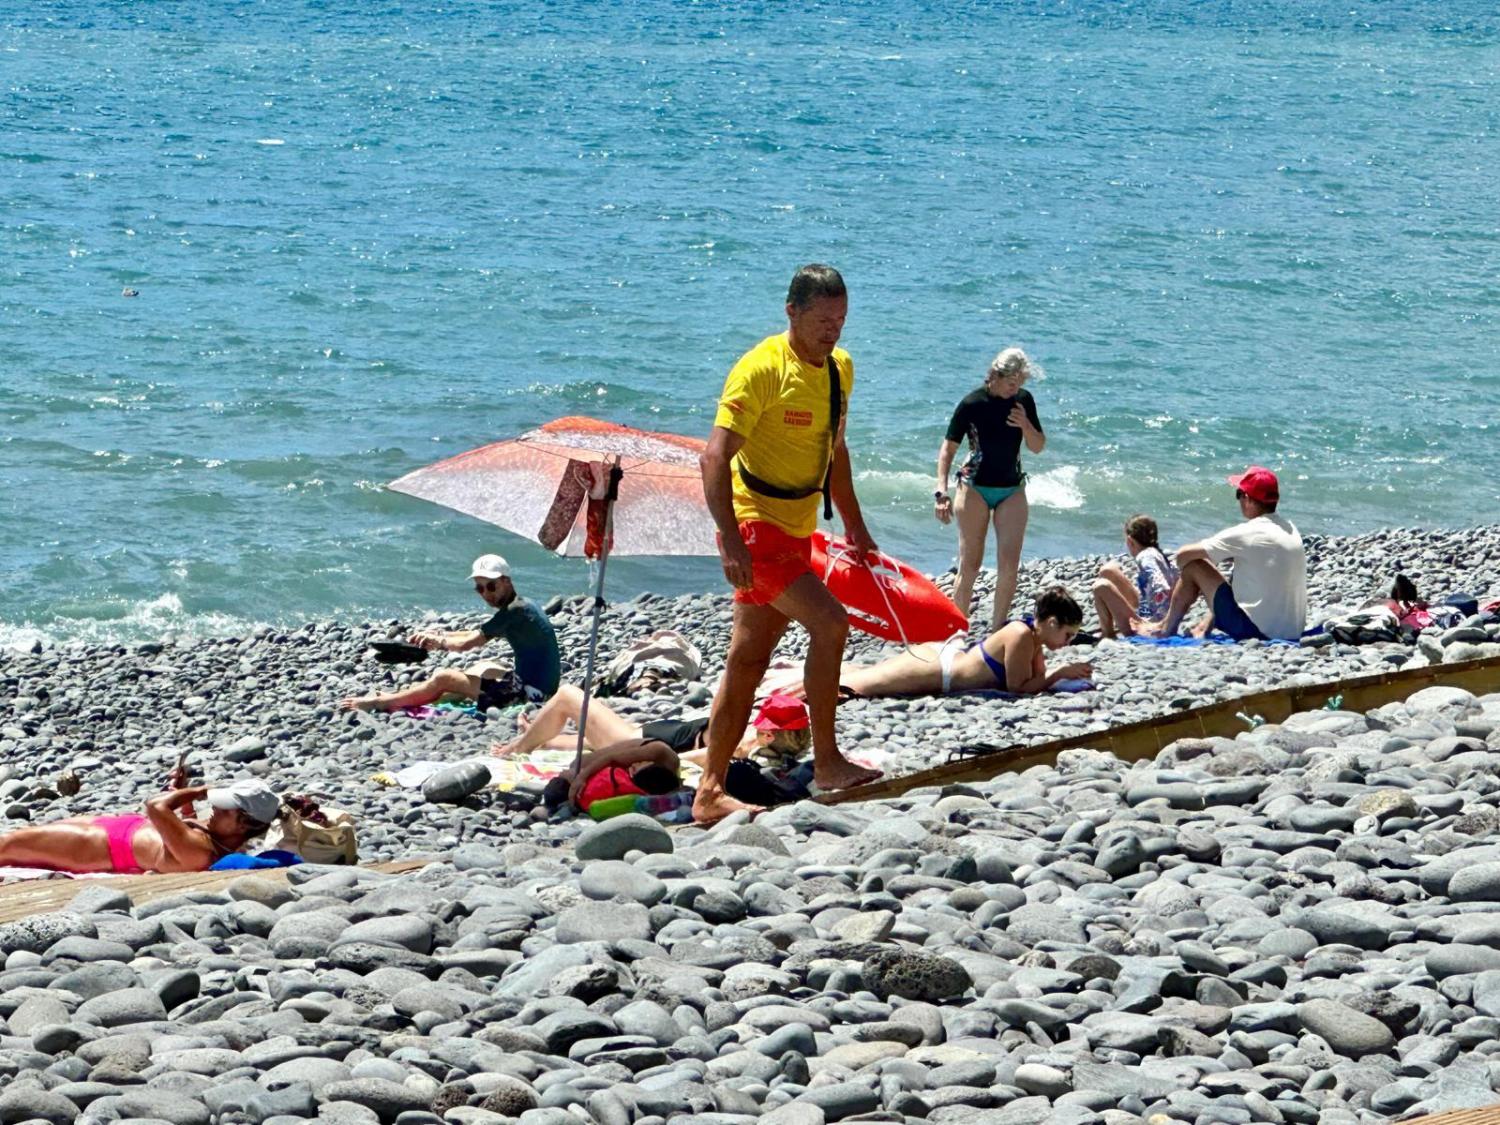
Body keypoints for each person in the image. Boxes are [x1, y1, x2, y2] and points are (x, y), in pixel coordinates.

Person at [697, 263, 883, 824]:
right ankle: (827, 762)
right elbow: (713, 458)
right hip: (756, 528)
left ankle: (709, 792)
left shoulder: (840, 369)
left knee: (748, 661)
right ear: (792, 312)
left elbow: (836, 452)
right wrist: (730, 541)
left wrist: (855, 526)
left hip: (799, 530)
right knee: (830, 624)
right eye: (823, 320)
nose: (833, 330)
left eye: (841, 320)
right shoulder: (761, 369)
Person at [341, 554, 561, 712]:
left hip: (531, 697)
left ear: (506, 581)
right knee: (484, 668)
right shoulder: (523, 605)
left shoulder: (513, 612)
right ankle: (415, 695)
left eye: (491, 586)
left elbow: (468, 643)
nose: (486, 594)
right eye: (480, 588)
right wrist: (438, 633)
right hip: (538, 688)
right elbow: (475, 632)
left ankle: (383, 703)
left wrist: (439, 642)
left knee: (444, 677)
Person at [788, 586, 1092, 699]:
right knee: (852, 688)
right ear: (1052, 623)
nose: (1067, 642)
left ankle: (791, 678)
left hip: (942, 660)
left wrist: (1057, 675)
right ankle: (783, 691)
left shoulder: (1032, 637)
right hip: (939, 670)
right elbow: (1018, 688)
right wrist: (1059, 673)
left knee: (862, 676)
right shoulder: (1021, 635)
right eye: (1067, 634)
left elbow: (1034, 680)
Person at [936, 347, 1046, 632]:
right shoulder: (972, 403)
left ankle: (997, 631)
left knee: (1009, 565)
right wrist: (941, 492)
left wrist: (1025, 425)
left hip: (1012, 488)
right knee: (970, 564)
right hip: (974, 488)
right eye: (1011, 383)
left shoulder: (1023, 401)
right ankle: (958, 631)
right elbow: (948, 450)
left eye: (1019, 383)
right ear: (996, 375)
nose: (1015, 389)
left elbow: (1037, 446)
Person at [1144, 466, 1307, 641]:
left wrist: (1182, 578)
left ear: (1247, 499)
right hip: (1291, 631)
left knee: (1194, 566)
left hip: (1255, 632)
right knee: (1241, 569)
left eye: (1239, 494)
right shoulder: (1290, 528)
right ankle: (1203, 627)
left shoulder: (1248, 532)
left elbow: (1184, 555)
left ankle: (1166, 628)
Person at [0, 778, 281, 875]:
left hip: (98, 845)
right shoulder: (217, 837)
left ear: (243, 824)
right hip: (116, 828)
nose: (216, 808)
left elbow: (156, 806)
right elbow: (181, 827)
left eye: (225, 808)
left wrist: (198, 791)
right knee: (13, 841)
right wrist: (183, 797)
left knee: (7, 845)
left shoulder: (199, 852)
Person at [490, 686, 812, 767]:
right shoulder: (760, 741)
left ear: (769, 733)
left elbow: (693, 759)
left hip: (634, 742)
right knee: (587, 739)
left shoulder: (740, 745)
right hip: (644, 734)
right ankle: (541, 738)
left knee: (567, 696)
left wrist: (638, 759)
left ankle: (517, 748)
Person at [1092, 514, 1179, 638]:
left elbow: (1162, 589)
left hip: (1151, 625)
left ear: (1130, 541)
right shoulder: (1156, 553)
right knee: (1108, 570)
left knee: (1101, 587)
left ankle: (1108, 635)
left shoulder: (1145, 557)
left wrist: (1159, 624)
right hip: (1148, 610)